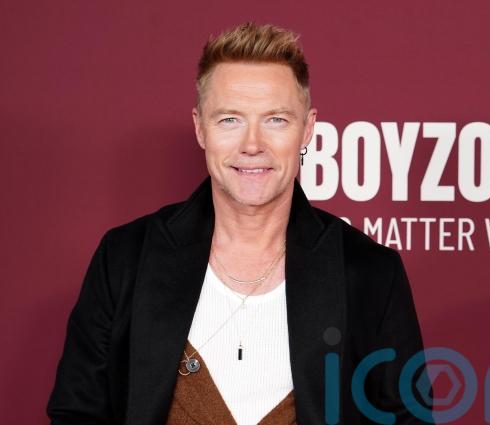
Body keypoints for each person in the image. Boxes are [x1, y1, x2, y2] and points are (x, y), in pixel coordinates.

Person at [47, 22, 431, 424]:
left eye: (275, 120)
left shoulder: (370, 273)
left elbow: (408, 418)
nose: (252, 145)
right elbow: (76, 413)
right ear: (200, 128)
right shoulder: (126, 257)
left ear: (307, 129)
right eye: (230, 119)